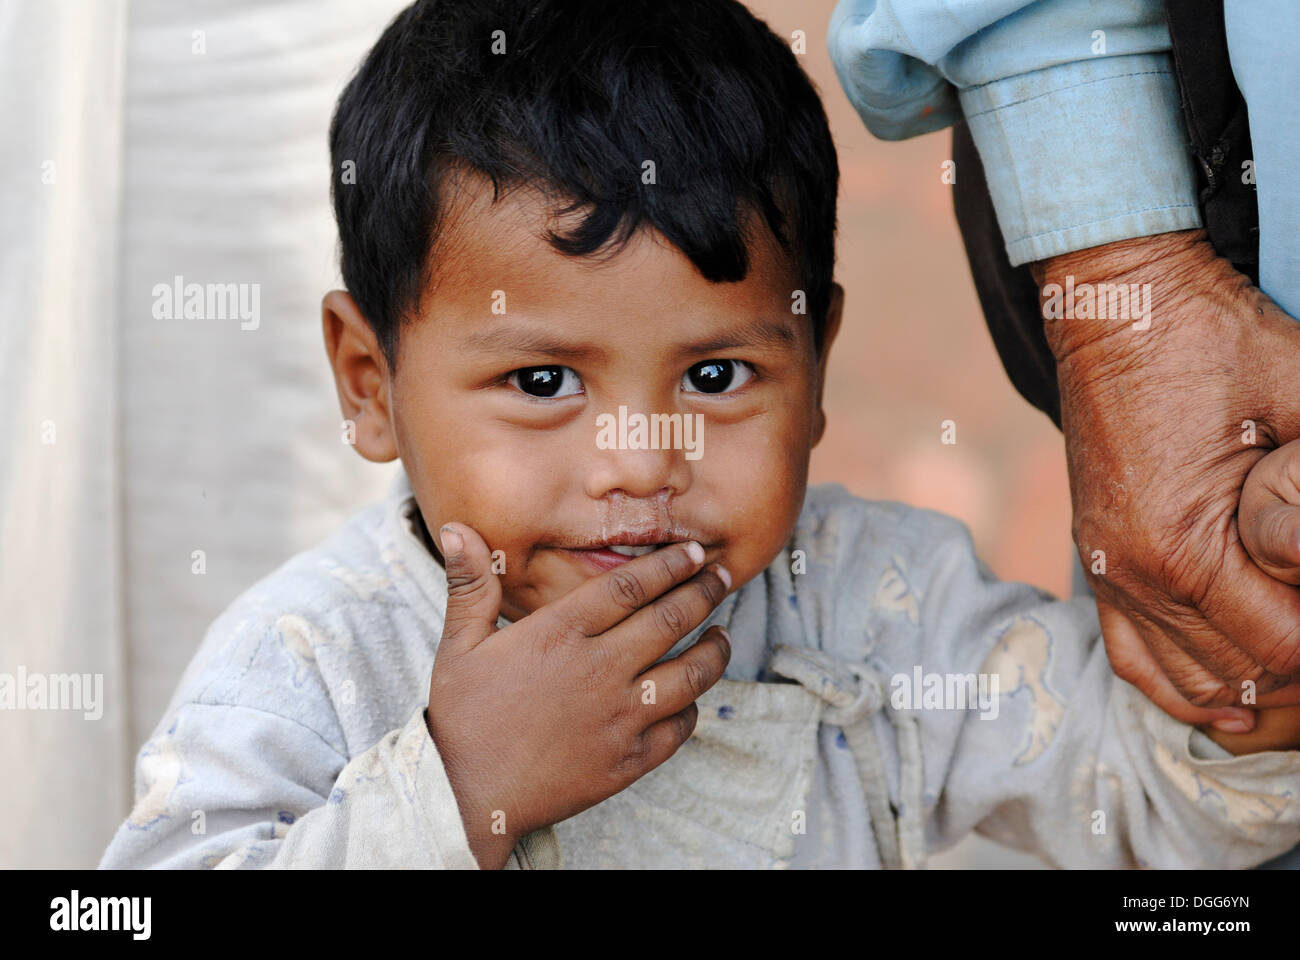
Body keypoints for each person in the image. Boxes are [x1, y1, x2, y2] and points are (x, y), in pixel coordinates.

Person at [98, 0, 1300, 870]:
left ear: (816, 364)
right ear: (369, 382)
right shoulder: (317, 660)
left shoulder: (873, 609)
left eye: (717, 373)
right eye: (540, 380)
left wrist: (1257, 661)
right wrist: (458, 792)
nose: (637, 458)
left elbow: (1152, 805)